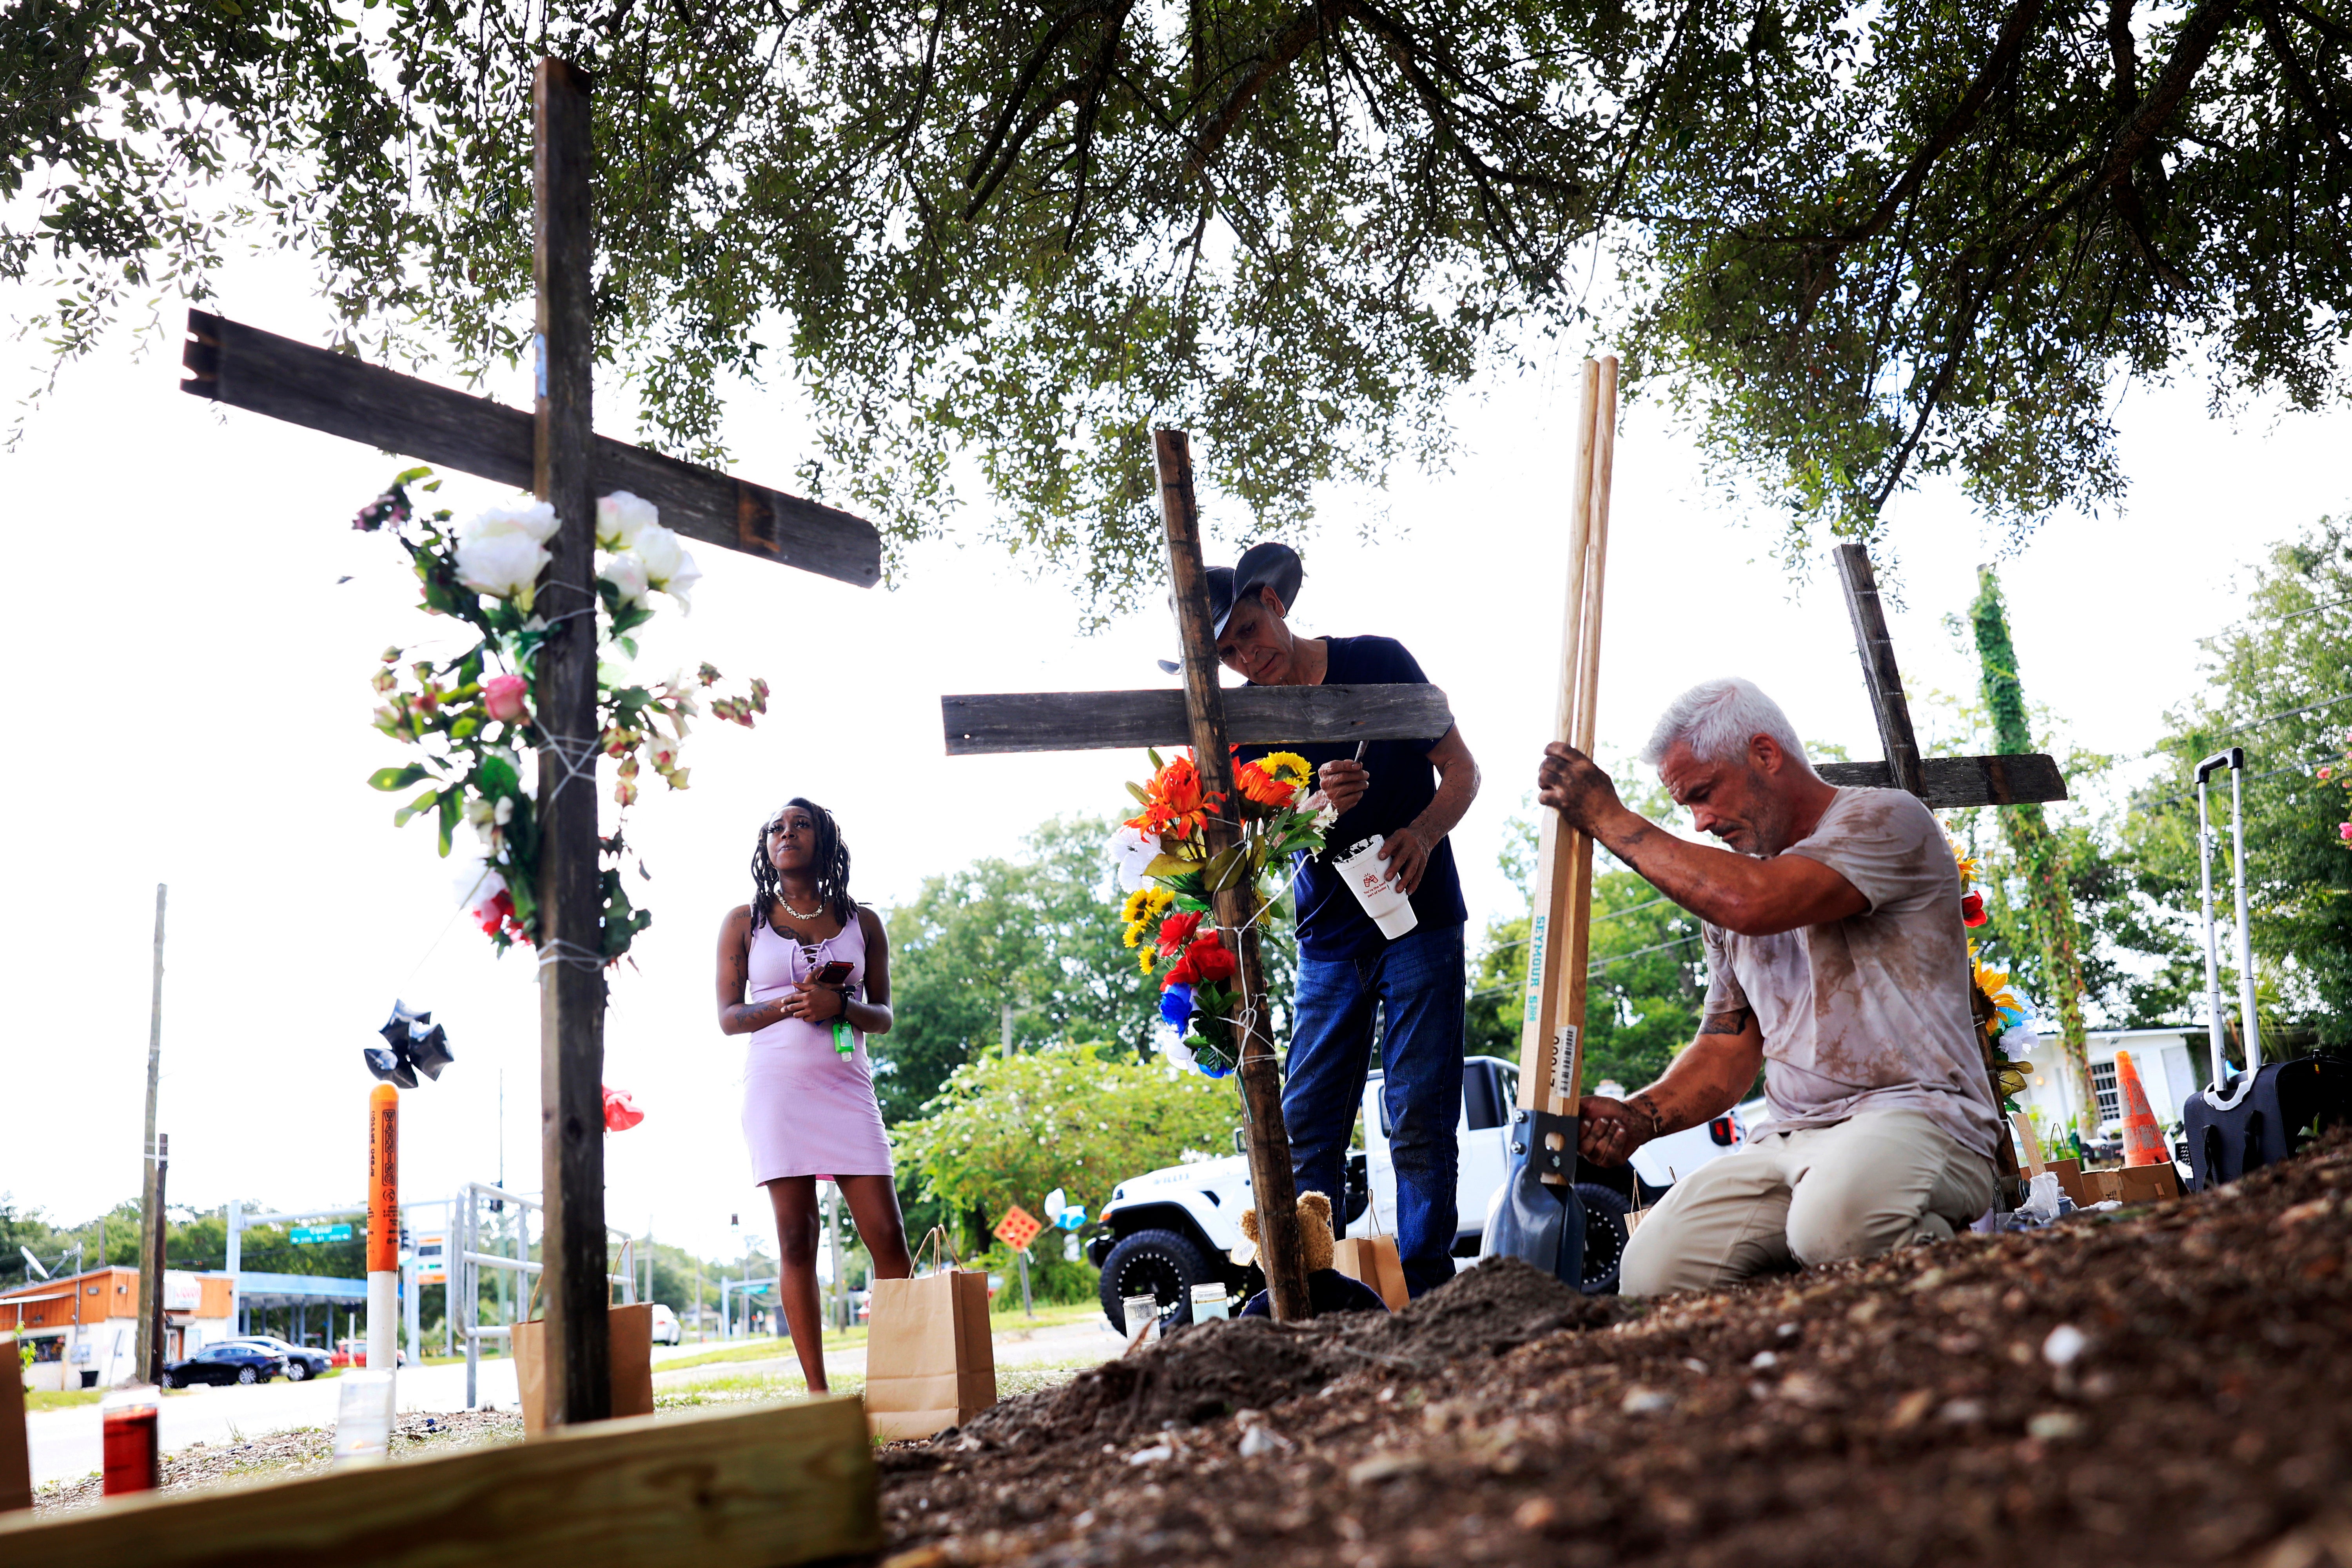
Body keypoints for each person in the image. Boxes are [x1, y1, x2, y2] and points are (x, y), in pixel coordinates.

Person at [1534, 677, 1999, 1296]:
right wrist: (1639, 1117)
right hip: (1791, 1140)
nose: (1700, 823)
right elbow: (1727, 1051)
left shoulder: (1886, 819)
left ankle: (1972, 1295)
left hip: (1922, 1115)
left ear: (1765, 754)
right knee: (1652, 1275)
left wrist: (1609, 820)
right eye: (1687, 807)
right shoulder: (1728, 893)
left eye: (1702, 795)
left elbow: (1757, 902)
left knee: (1833, 1229)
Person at [1217, 541, 1481, 1298]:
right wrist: (1309, 808)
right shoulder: (1241, 719)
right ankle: (1305, 1293)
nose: (1245, 657)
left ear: (1275, 603)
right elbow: (1250, 851)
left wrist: (1424, 834)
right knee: (1309, 1123)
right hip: (1328, 941)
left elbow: (1464, 770)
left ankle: (1432, 1292)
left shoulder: (1381, 658)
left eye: (1247, 632)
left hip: (1421, 924)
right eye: (1227, 652)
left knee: (1422, 1110)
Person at [715, 797, 913, 1388]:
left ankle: (901, 1382)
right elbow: (727, 1017)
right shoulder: (742, 921)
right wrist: (789, 1003)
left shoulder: (863, 922)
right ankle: (819, 1393)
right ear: (767, 846)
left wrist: (842, 1005)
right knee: (797, 1239)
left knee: (889, 1238)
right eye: (777, 827)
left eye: (800, 825)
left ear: (824, 841)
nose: (787, 833)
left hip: (847, 1087)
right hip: (777, 1089)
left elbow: (882, 1016)